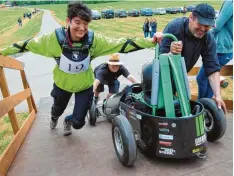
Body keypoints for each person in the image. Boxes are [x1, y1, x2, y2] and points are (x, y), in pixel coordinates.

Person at [0, 1, 163, 136]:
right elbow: (25, 45)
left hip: (84, 86)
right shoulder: (54, 40)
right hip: (62, 85)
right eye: (77, 22)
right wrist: (2, 52)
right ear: (68, 21)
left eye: (85, 24)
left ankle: (68, 120)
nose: (82, 28)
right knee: (57, 109)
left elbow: (120, 44)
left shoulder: (93, 41)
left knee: (78, 123)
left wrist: (150, 41)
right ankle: (55, 117)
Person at [159, 3, 227, 113]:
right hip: (161, 79)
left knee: (183, 108)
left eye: (207, 26)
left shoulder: (208, 38)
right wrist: (170, 53)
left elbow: (212, 69)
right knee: (163, 110)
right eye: (201, 24)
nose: (203, 29)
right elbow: (159, 59)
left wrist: (217, 95)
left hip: (180, 78)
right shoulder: (175, 27)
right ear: (191, 17)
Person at [196, 0, 233, 99]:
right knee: (210, 79)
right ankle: (206, 106)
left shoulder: (230, 2)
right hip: (228, 50)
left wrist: (204, 36)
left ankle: (201, 106)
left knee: (201, 78)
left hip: (221, 49)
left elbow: (217, 25)